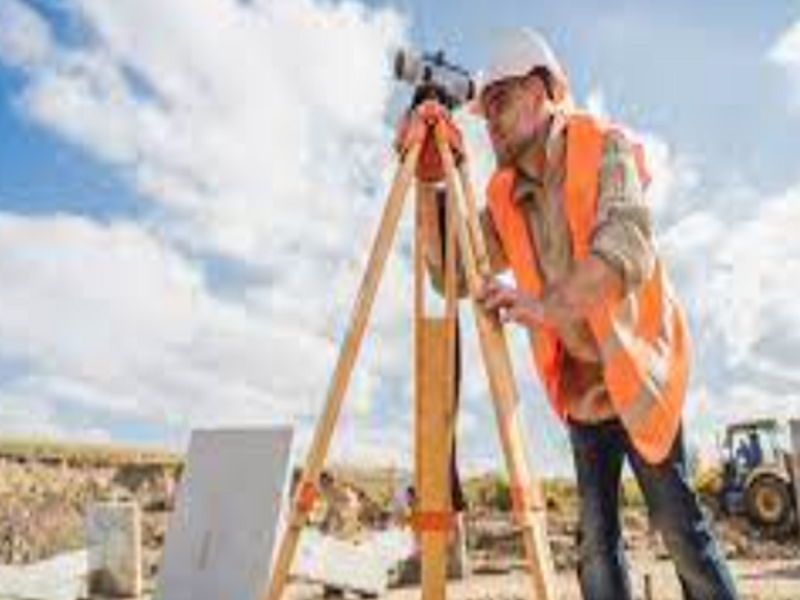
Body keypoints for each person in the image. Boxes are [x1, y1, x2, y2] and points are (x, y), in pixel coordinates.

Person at [420, 27, 739, 600]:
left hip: (640, 378)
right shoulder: (501, 194)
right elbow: (451, 273)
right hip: (584, 398)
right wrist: (428, 179)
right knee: (595, 544)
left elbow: (627, 249)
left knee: (681, 533)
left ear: (542, 91)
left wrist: (542, 306)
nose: (488, 121)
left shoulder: (604, 146)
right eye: (482, 109)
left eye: (501, 102)